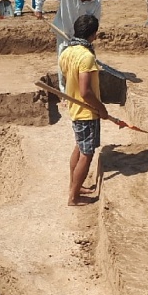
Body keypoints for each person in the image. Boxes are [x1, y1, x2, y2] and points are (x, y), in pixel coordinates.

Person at [60, 14, 108, 205]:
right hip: (87, 112)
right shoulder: (86, 57)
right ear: (93, 34)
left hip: (76, 109)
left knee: (79, 148)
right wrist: (101, 109)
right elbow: (86, 91)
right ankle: (73, 197)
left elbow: (66, 80)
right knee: (87, 155)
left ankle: (75, 186)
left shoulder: (66, 52)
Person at [33, 0, 102, 92]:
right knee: (63, 62)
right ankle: (64, 91)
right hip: (64, 33)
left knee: (83, 63)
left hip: (82, 38)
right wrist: (38, 9)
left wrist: (90, 36)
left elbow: (94, 21)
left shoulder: (96, 2)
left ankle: (82, 89)